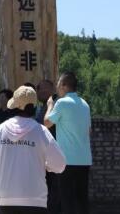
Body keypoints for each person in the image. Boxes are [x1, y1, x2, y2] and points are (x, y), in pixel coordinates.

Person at [0, 85, 66, 214]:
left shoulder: (1, 130)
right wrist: (46, 165)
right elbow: (60, 165)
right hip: (35, 199)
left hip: (6, 199)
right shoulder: (41, 131)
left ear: (14, 106)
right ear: (33, 107)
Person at [45, 72, 92, 214]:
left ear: (65, 86)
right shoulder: (85, 104)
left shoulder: (62, 103)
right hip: (84, 159)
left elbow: (47, 123)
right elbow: (89, 131)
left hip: (67, 160)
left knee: (67, 201)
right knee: (81, 201)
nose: (57, 87)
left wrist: (50, 105)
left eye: (59, 84)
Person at [35, 80, 59, 214]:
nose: (40, 91)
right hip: (42, 156)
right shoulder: (41, 108)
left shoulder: (56, 104)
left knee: (54, 191)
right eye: (38, 89)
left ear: (51, 89)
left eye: (42, 88)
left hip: (52, 154)